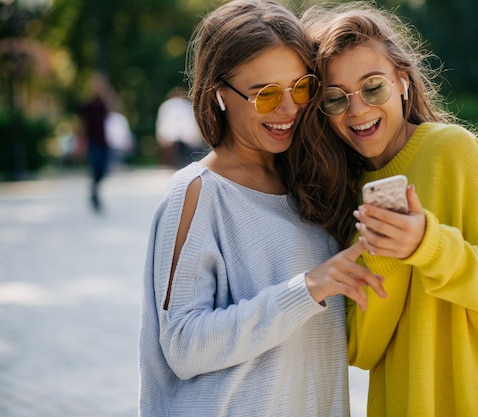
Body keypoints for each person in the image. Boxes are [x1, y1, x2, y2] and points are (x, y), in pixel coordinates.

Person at [296, 3, 478, 416]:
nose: (358, 109)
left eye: (373, 87)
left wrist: (426, 244)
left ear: (402, 81)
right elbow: (361, 349)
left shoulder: (452, 151)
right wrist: (384, 253)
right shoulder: (346, 192)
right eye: (336, 98)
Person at [138, 1, 385, 416]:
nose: (289, 109)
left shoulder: (312, 185)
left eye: (301, 87)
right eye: (265, 95)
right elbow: (182, 345)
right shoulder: (197, 193)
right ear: (219, 94)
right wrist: (307, 289)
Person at [76, 73, 115, 212]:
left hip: (104, 142)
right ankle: (94, 193)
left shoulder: (103, 104)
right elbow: (80, 125)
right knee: (95, 167)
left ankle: (95, 190)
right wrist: (79, 144)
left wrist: (107, 93)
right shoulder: (87, 105)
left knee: (104, 170)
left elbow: (114, 109)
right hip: (92, 142)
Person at [155, 88, 204, 168]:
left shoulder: (166, 105)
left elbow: (162, 122)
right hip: (185, 136)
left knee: (171, 158)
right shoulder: (186, 105)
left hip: (171, 135)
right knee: (187, 157)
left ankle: (170, 166)